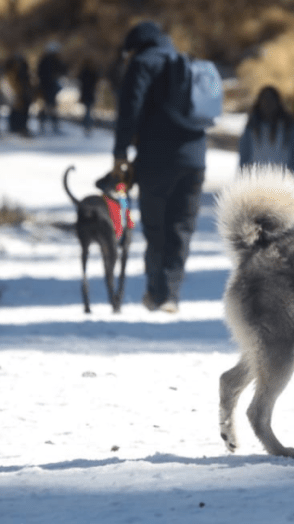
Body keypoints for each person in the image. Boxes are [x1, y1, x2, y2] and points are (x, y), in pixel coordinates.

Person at [112, 20, 207, 313]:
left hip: (156, 159)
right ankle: (171, 295)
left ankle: (156, 291)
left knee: (156, 227)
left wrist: (120, 153)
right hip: (195, 159)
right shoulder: (187, 63)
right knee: (181, 227)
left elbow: (130, 110)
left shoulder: (142, 63)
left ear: (134, 47)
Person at [238, 85, 294, 184]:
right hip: (257, 182)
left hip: (284, 182)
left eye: (271, 100)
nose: (268, 103)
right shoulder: (251, 127)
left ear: (278, 102)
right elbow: (244, 157)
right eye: (265, 100)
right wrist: (242, 179)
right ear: (259, 102)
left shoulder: (289, 127)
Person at [37, 42, 67, 134]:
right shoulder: (48, 61)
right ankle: (46, 124)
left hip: (48, 86)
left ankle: (48, 124)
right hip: (47, 86)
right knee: (48, 106)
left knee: (49, 106)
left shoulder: (47, 61)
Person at [5, 53, 33, 137]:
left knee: (21, 111)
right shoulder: (13, 71)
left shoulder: (21, 69)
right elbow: (12, 82)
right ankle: (17, 128)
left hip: (23, 93)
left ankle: (20, 127)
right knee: (17, 111)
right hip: (18, 93)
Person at [77, 58, 100, 136]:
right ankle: (88, 126)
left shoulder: (84, 72)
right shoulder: (92, 72)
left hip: (86, 93)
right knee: (88, 111)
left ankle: (87, 125)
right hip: (90, 93)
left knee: (87, 111)